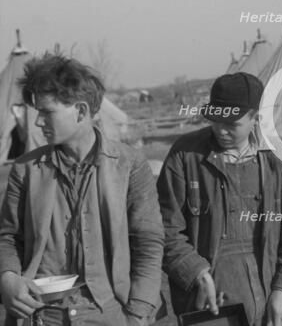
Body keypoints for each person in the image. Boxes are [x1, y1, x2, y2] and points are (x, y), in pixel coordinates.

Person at [0, 53, 164, 326]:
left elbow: (148, 243)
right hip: (41, 315)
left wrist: (137, 315)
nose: (38, 122)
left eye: (46, 112)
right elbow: (7, 238)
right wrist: (7, 278)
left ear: (81, 111)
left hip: (110, 314)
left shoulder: (129, 165)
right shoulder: (25, 169)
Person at [157, 72, 282, 326]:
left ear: (255, 118)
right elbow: (164, 228)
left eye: (232, 124)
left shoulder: (278, 161)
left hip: (270, 300)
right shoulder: (184, 156)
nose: (221, 131)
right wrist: (195, 272)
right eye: (216, 121)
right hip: (208, 304)